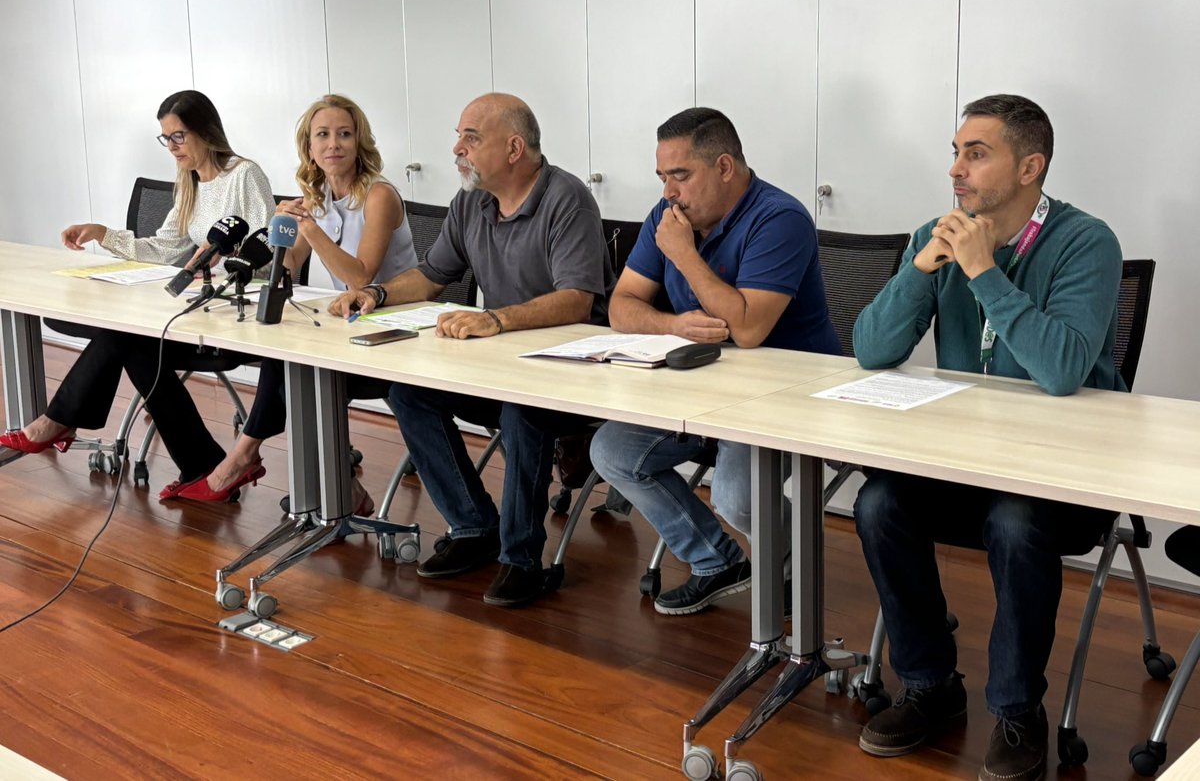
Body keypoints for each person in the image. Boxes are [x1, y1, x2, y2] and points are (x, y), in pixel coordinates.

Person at [852, 94, 1122, 781]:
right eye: (955, 151)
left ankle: (1017, 708)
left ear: (1030, 165)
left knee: (1014, 519)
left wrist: (983, 272)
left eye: (977, 153)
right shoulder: (935, 234)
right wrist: (923, 270)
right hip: (967, 460)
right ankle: (930, 684)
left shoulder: (1086, 241)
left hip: (1062, 474)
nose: (956, 170)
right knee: (879, 503)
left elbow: (1061, 370)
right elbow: (872, 349)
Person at [330, 92, 612, 607]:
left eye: (471, 138)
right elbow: (434, 276)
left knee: (521, 408)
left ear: (513, 148)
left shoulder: (566, 198)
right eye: (459, 135)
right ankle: (474, 526)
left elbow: (577, 300)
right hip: (500, 363)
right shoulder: (471, 200)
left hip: (570, 372)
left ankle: (522, 559)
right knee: (411, 394)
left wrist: (496, 319)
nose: (456, 148)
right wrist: (376, 294)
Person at [588, 107, 841, 616]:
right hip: (704, 390)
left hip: (787, 395)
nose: (668, 194)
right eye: (662, 177)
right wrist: (672, 325)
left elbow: (748, 329)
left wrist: (684, 256)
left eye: (680, 176)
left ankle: (793, 559)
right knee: (613, 450)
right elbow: (621, 307)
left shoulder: (780, 218)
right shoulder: (670, 219)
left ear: (725, 167)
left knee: (736, 496)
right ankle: (716, 561)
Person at [0, 90, 274, 492]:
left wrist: (226, 257)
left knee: (129, 339)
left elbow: (270, 252)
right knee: (135, 342)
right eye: (166, 139)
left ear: (205, 130)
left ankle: (58, 420)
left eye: (178, 137)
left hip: (238, 316)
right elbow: (166, 248)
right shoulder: (190, 181)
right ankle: (202, 465)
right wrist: (104, 235)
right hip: (196, 307)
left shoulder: (244, 175)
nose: (172, 148)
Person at [160, 94, 417, 504]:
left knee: (292, 362)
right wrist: (282, 231)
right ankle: (339, 485)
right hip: (348, 327)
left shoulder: (379, 196)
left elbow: (360, 276)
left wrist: (311, 230)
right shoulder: (317, 196)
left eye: (345, 134)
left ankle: (246, 456)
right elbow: (291, 264)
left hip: (397, 330)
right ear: (310, 148)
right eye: (323, 135)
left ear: (359, 142)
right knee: (287, 351)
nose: (334, 143)